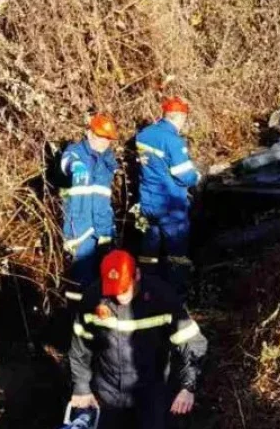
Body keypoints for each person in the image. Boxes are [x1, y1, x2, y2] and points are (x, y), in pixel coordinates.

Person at [69, 249, 207, 429]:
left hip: (152, 393)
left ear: (138, 275)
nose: (119, 297)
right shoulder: (93, 298)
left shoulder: (162, 298)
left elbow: (193, 343)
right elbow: (81, 346)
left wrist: (187, 387)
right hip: (107, 393)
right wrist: (81, 387)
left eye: (125, 289)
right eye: (114, 291)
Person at [134, 96, 200, 296]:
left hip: (147, 202)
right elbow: (184, 176)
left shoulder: (143, 135)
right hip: (170, 205)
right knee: (176, 254)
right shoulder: (172, 140)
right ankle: (174, 296)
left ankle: (146, 291)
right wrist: (197, 176)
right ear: (180, 117)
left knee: (149, 252)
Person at [60, 113, 120, 302]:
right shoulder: (76, 152)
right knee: (81, 280)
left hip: (102, 228)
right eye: (101, 137)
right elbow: (66, 161)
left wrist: (108, 230)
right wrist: (75, 165)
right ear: (89, 133)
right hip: (80, 228)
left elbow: (103, 199)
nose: (104, 142)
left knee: (103, 280)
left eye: (108, 139)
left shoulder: (107, 162)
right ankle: (76, 320)